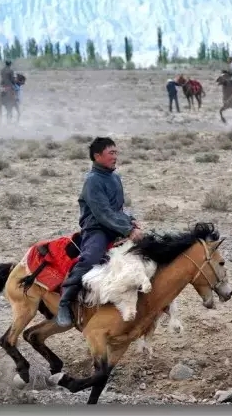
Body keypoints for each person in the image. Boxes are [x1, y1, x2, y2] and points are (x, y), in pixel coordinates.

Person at [55, 137, 144, 328]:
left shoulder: (115, 177)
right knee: (91, 257)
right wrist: (128, 229)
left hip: (114, 226)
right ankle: (64, 301)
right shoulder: (92, 181)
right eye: (111, 153)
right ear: (97, 156)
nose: (115, 156)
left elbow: (117, 209)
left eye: (116, 153)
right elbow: (103, 213)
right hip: (97, 229)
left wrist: (132, 220)